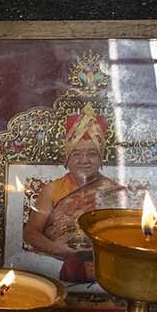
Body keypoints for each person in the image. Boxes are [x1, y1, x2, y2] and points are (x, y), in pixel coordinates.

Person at [23, 104, 135, 283]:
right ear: (67, 158)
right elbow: (30, 233)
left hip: (102, 261)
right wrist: (55, 248)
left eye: (91, 154)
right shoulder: (53, 189)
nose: (84, 160)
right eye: (76, 154)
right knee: (24, 263)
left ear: (101, 158)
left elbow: (123, 238)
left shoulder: (114, 191)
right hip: (56, 259)